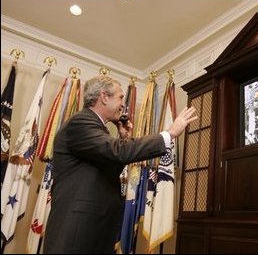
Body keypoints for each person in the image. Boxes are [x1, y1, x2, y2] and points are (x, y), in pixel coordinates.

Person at [43, 75, 197, 254]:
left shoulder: (95, 127)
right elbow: (117, 151)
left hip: (93, 230)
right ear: (104, 97)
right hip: (77, 231)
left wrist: (123, 137)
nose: (123, 104)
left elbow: (107, 166)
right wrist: (169, 134)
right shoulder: (81, 122)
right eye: (120, 97)